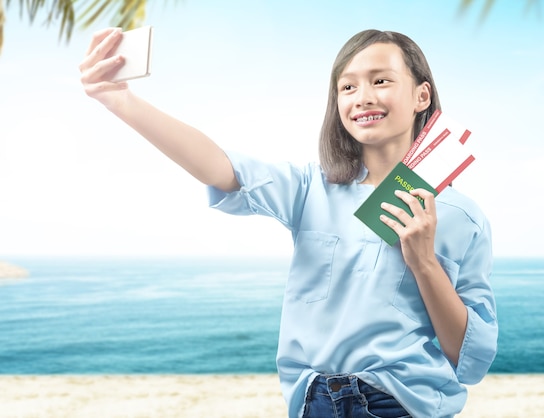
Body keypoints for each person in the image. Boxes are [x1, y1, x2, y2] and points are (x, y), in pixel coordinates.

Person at [79, 28, 498, 418]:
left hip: (401, 404)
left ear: (422, 95)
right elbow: (221, 167)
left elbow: (471, 359)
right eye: (347, 86)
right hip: (313, 401)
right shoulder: (308, 188)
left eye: (381, 80)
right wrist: (122, 102)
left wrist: (424, 263)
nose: (362, 97)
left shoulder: (462, 217)